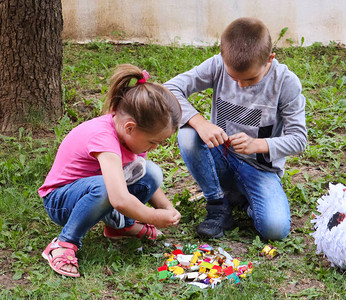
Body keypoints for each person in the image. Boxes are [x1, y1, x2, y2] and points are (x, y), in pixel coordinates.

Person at [164, 17, 307, 241]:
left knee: (275, 230)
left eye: (250, 79)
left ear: (270, 59)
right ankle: (218, 206)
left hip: (260, 170)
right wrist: (201, 123)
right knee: (188, 134)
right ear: (222, 56)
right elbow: (169, 89)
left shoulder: (286, 83)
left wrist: (257, 145)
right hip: (221, 158)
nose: (241, 85)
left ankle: (244, 199)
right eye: (234, 78)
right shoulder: (217, 65)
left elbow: (299, 139)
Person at [38, 64, 182, 277]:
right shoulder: (103, 138)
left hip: (98, 192)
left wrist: (167, 208)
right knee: (106, 188)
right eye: (153, 141)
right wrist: (152, 216)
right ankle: (63, 243)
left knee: (150, 171)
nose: (155, 147)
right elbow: (119, 199)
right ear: (130, 127)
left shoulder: (131, 137)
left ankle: (120, 227)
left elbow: (142, 178)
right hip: (62, 201)